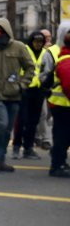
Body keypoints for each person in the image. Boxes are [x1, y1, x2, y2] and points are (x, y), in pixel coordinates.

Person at [0, 18, 35, 173]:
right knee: (2, 124)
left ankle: (1, 159)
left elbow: (30, 67)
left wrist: (21, 85)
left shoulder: (19, 47)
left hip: (14, 95)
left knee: (7, 129)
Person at [11, 31, 54, 160]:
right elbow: (16, 69)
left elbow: (49, 71)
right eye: (36, 41)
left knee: (33, 121)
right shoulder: (25, 51)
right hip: (25, 90)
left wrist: (46, 87)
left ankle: (28, 148)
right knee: (21, 119)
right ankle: (16, 146)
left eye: (41, 42)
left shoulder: (46, 54)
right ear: (31, 41)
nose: (38, 44)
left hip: (38, 91)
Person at [49, 31, 70, 177]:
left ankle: (59, 161)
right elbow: (68, 86)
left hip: (62, 105)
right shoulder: (67, 61)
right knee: (62, 137)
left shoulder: (65, 58)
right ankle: (57, 165)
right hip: (63, 106)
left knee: (62, 136)